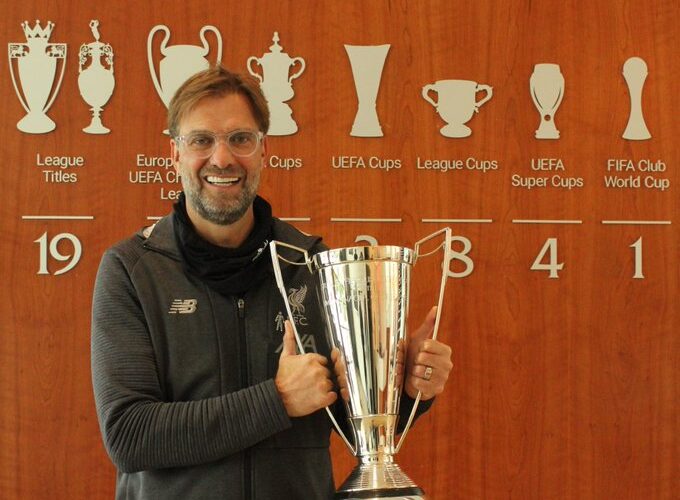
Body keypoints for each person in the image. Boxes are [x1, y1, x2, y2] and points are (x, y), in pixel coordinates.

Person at [91, 65, 453, 500]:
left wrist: (407, 388)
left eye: (240, 138)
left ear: (263, 150)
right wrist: (276, 400)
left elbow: (347, 417)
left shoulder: (310, 263)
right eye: (201, 140)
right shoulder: (132, 269)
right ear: (175, 153)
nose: (222, 158)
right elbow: (129, 435)